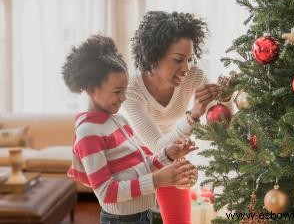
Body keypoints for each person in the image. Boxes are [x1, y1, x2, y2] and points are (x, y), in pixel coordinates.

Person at [61, 35, 198, 224]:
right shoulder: (88, 133)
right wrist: (157, 180)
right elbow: (106, 192)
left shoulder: (118, 119)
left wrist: (167, 154)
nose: (124, 97)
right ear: (92, 89)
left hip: (142, 214)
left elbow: (138, 168)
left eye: (125, 90)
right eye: (117, 92)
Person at [123, 11, 225, 224]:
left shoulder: (194, 76)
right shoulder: (131, 89)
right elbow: (158, 146)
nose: (186, 68)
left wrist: (226, 97)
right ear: (154, 56)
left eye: (188, 59)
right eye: (178, 60)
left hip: (173, 151)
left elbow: (219, 122)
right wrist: (193, 115)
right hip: (134, 157)